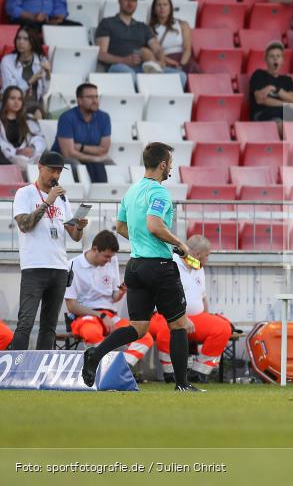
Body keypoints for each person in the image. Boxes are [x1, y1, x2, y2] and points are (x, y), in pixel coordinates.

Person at [81, 142, 202, 392]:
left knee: (137, 328)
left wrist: (143, 242)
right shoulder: (159, 192)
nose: (171, 168)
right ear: (162, 165)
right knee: (179, 324)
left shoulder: (132, 191)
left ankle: (96, 353)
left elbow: (120, 227)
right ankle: (182, 385)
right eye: (170, 163)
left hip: (135, 267)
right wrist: (180, 244)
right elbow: (154, 225)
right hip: (159, 266)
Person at [11, 150, 87, 350]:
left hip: (59, 267)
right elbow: (24, 225)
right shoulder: (25, 193)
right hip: (34, 266)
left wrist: (79, 226)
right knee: (25, 323)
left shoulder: (62, 198)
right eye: (52, 170)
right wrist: (47, 202)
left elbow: (74, 236)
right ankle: (17, 366)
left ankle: (42, 368)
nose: (55, 175)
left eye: (59, 171)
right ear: (39, 167)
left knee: (49, 327)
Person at [149, 235, 233, 384]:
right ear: (198, 254)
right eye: (207, 255)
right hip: (167, 316)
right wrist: (181, 318)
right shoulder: (170, 263)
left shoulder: (198, 267)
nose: (208, 259)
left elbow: (203, 296)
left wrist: (207, 317)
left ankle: (199, 372)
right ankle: (170, 372)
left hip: (196, 318)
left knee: (223, 328)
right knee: (166, 329)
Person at [65, 230, 154, 369]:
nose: (109, 260)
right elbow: (71, 306)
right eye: (106, 256)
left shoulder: (112, 261)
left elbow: (113, 296)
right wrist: (101, 315)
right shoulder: (72, 265)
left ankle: (118, 369)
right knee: (92, 333)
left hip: (110, 316)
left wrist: (122, 291)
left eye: (111, 257)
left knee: (144, 337)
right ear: (95, 249)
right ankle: (101, 370)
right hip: (85, 316)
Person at [95, 0, 185, 86]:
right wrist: (124, 60)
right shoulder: (107, 23)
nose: (130, 3)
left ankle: (155, 83)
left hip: (143, 67)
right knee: (130, 75)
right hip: (118, 66)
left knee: (181, 76)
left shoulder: (143, 27)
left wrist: (160, 61)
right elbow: (101, 54)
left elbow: (157, 49)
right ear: (119, 0)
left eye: (133, 0)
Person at [52, 82, 111, 183]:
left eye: (96, 96)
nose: (95, 100)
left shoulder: (104, 117)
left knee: (111, 165)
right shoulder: (67, 118)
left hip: (87, 157)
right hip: (63, 159)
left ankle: (104, 192)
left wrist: (80, 147)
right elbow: (68, 153)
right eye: (90, 97)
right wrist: (94, 158)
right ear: (79, 100)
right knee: (76, 165)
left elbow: (104, 149)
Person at [249, 42, 293, 129]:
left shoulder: (287, 79)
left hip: (285, 113)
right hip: (263, 113)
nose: (275, 59)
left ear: (282, 60)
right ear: (266, 59)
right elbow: (260, 99)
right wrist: (285, 104)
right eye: (272, 56)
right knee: (284, 127)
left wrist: (276, 90)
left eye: (278, 56)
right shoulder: (259, 74)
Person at [148, 0, 198, 76]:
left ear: (170, 8)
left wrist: (181, 65)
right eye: (159, 5)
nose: (162, 7)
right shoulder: (150, 29)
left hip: (184, 60)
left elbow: (187, 49)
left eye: (165, 4)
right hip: (166, 61)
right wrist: (171, 63)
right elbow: (155, 52)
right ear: (154, 9)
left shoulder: (183, 24)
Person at [1, 26, 51, 106]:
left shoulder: (41, 59)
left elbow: (44, 91)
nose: (21, 42)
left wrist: (48, 74)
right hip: (14, 107)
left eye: (25, 39)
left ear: (33, 42)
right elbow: (10, 93)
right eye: (18, 38)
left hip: (36, 105)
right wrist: (31, 81)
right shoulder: (7, 61)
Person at [0, 85, 45, 169]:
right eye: (12, 98)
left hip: (28, 159)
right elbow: (2, 144)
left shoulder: (28, 120)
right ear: (5, 100)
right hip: (5, 160)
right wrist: (16, 152)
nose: (16, 102)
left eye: (19, 99)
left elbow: (39, 139)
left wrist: (32, 148)